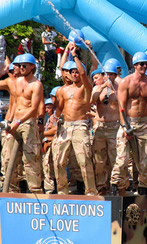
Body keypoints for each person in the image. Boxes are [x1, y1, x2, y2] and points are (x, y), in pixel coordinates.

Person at [110, 52, 147, 196]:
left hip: (143, 124)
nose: (144, 66)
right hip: (128, 121)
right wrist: (124, 127)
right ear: (135, 65)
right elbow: (121, 107)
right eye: (141, 64)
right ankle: (115, 186)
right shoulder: (126, 82)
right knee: (122, 160)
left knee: (146, 160)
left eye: (146, 64)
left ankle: (142, 188)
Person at [54, 42, 96, 195]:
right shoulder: (63, 90)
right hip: (65, 126)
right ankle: (62, 191)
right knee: (58, 160)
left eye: (77, 71)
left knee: (84, 160)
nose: (75, 74)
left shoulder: (85, 88)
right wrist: (54, 118)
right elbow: (59, 108)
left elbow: (84, 74)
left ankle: (91, 191)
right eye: (72, 72)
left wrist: (75, 54)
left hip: (80, 126)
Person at [6, 53, 44, 194]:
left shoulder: (36, 84)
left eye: (24, 66)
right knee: (8, 158)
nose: (21, 68)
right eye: (19, 66)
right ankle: (11, 191)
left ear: (32, 67)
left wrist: (18, 122)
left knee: (30, 159)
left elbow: (34, 108)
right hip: (15, 122)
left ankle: (35, 192)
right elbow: (14, 103)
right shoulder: (16, 81)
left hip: (28, 123)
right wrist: (10, 122)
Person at [0, 59, 20, 191]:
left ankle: (29, 191)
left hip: (23, 122)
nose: (13, 74)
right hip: (10, 123)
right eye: (10, 71)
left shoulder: (32, 84)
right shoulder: (10, 82)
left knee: (28, 163)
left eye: (15, 70)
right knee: (6, 158)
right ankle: (11, 190)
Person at [90, 62, 120, 195]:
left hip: (114, 127)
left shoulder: (120, 88)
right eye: (107, 74)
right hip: (101, 128)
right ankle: (101, 186)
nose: (109, 77)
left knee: (115, 158)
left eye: (112, 74)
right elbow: (92, 100)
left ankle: (116, 185)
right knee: (100, 160)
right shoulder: (97, 88)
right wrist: (103, 86)